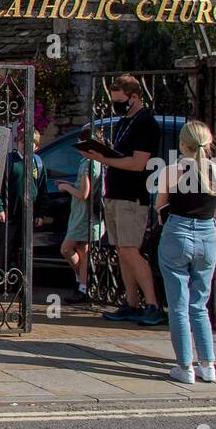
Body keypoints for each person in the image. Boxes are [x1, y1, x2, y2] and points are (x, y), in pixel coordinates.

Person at [155, 121, 216, 383]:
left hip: (178, 231)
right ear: (208, 143)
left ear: (182, 144)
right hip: (207, 234)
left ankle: (184, 367)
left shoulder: (172, 171)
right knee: (199, 304)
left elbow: (159, 205)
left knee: (178, 306)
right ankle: (208, 365)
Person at [96, 76, 164, 327]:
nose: (117, 106)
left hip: (132, 196)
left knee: (130, 249)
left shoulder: (145, 123)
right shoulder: (126, 121)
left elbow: (138, 163)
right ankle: (131, 302)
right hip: (115, 193)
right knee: (121, 250)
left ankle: (153, 304)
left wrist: (103, 159)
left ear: (134, 97)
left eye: (120, 101)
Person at [59, 153, 103, 304]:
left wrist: (66, 187)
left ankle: (83, 282)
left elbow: (83, 194)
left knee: (66, 249)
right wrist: (72, 185)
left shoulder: (87, 163)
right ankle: (84, 286)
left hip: (83, 215)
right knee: (83, 251)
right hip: (86, 215)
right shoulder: (96, 161)